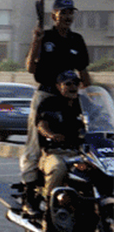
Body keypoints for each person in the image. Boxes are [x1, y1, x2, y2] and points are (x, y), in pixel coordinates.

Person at [20, 0, 92, 194]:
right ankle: (29, 186)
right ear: (54, 16)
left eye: (70, 13)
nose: (67, 17)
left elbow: (83, 73)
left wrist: (92, 98)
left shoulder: (76, 40)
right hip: (47, 95)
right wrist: (36, 40)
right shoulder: (46, 37)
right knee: (36, 142)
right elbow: (30, 67)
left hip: (69, 97)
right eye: (63, 13)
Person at [32, 70, 86, 208]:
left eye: (76, 83)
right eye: (68, 83)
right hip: (55, 152)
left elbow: (102, 119)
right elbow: (41, 125)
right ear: (58, 86)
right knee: (58, 168)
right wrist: (50, 134)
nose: (72, 86)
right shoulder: (49, 103)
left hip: (82, 153)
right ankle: (49, 208)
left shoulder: (85, 103)